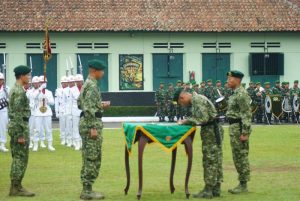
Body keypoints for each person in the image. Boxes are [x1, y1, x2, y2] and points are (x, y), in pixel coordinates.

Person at [175, 90, 223, 199]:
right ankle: (216, 189)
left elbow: (203, 118)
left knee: (209, 159)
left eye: (180, 103)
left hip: (211, 131)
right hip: (213, 129)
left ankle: (208, 190)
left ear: (182, 97)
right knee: (216, 159)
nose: (183, 105)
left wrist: (185, 121)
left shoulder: (197, 100)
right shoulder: (198, 98)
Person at [77, 59, 110, 200]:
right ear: (95, 71)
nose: (103, 73)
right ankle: (87, 191)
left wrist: (99, 105)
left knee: (89, 156)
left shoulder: (88, 84)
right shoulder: (91, 86)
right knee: (92, 157)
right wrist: (92, 128)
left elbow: (80, 103)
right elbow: (88, 108)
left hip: (88, 122)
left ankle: (87, 188)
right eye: (102, 70)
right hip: (91, 125)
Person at [8, 65, 35, 197]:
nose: (29, 78)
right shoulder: (18, 91)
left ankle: (16, 186)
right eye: (28, 75)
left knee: (18, 157)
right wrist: (20, 134)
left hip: (17, 126)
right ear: (22, 76)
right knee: (20, 158)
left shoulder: (15, 89)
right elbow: (18, 113)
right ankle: (16, 187)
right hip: (20, 127)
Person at [226, 70, 252, 194]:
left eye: (230, 79)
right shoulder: (234, 93)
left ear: (237, 80)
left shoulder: (241, 94)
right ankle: (242, 183)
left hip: (239, 128)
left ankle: (243, 185)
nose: (227, 81)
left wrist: (245, 132)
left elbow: (246, 114)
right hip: (233, 127)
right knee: (237, 156)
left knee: (241, 156)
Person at [33, 76, 55, 151]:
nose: (43, 84)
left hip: (47, 113)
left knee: (48, 129)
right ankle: (35, 144)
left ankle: (50, 144)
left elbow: (52, 102)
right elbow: (33, 96)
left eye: (44, 82)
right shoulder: (36, 91)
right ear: (39, 83)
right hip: (38, 113)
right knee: (37, 129)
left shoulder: (49, 92)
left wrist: (47, 99)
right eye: (41, 82)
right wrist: (40, 89)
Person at [70, 74, 84, 150]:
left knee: (83, 127)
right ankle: (77, 143)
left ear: (82, 81)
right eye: (77, 81)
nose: (78, 83)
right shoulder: (72, 89)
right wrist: (69, 113)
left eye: (80, 81)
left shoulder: (86, 88)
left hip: (84, 110)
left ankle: (82, 142)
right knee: (75, 127)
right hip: (75, 110)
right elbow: (70, 102)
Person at [26, 76, 40, 149]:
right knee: (30, 128)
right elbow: (27, 98)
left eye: (37, 83)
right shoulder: (29, 91)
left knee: (37, 128)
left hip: (39, 112)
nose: (36, 84)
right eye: (34, 83)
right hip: (31, 111)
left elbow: (36, 96)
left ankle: (36, 143)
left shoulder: (41, 91)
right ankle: (30, 142)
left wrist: (40, 90)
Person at [55, 76, 68, 145]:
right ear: (61, 83)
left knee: (68, 126)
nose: (65, 84)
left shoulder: (70, 90)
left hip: (68, 110)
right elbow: (56, 101)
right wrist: (56, 111)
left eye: (66, 82)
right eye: (63, 83)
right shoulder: (58, 90)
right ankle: (63, 139)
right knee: (62, 126)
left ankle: (68, 139)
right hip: (61, 109)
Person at [0, 72, 10, 152]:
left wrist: (7, 99)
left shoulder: (6, 88)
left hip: (3, 110)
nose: (0, 81)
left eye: (1, 80)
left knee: (3, 127)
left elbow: (10, 98)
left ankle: (2, 144)